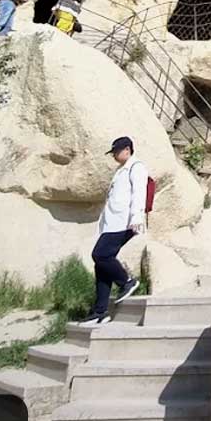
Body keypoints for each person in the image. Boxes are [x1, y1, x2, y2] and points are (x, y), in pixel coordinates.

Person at [78, 137, 147, 324]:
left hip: (125, 222)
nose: (115, 155)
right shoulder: (120, 171)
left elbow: (139, 193)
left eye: (117, 151)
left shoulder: (136, 167)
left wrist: (136, 217)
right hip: (112, 223)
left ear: (127, 149)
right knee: (101, 266)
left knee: (100, 255)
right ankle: (100, 312)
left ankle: (126, 282)